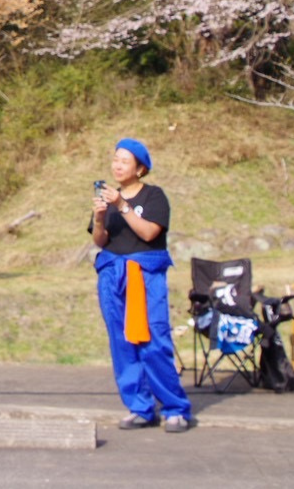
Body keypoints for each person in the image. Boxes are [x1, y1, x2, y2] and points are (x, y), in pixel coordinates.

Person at [90, 138, 193, 433]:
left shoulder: (153, 196)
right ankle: (140, 406)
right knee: (121, 342)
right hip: (112, 272)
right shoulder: (109, 199)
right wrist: (99, 218)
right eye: (115, 159)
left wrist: (122, 205)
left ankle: (174, 407)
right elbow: (100, 240)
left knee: (154, 340)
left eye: (125, 161)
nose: (117, 165)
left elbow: (149, 233)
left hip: (144, 273)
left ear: (140, 168)